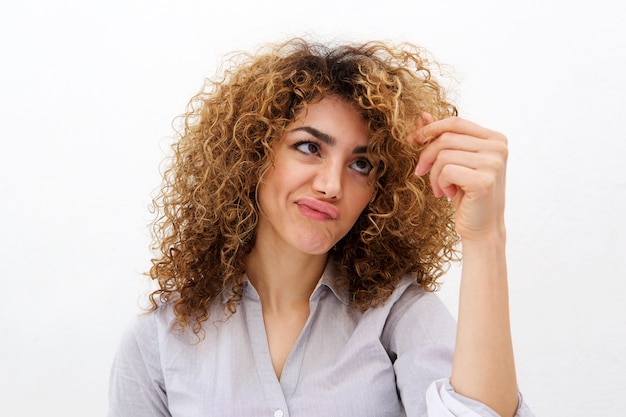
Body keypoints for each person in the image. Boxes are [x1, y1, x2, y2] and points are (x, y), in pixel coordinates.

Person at [107, 38, 534, 417]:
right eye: (309, 147)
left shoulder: (399, 316)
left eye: (361, 164)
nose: (331, 185)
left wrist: (485, 238)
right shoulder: (160, 338)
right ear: (253, 154)